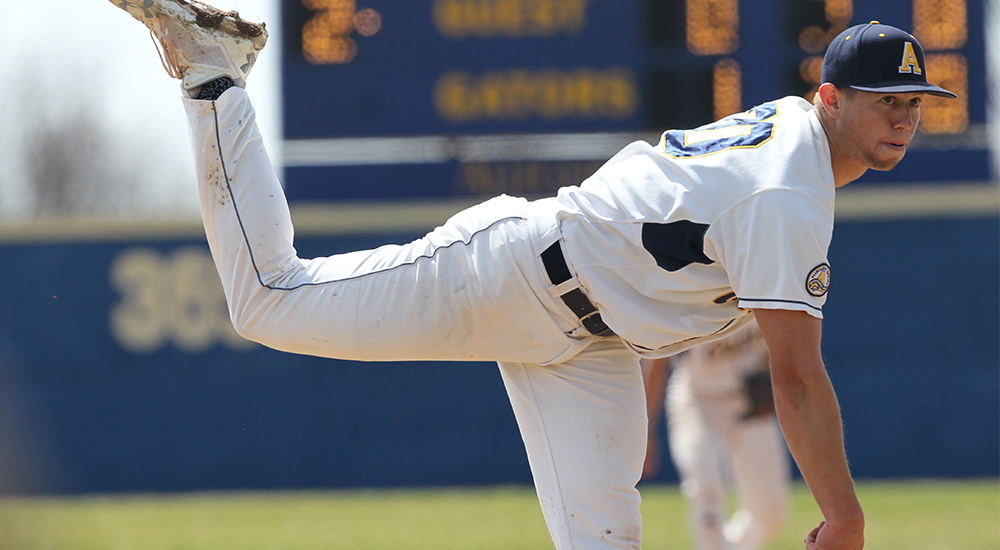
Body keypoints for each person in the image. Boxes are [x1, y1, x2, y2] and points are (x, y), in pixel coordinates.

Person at [107, 2, 956, 548]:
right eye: (888, 101)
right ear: (832, 99)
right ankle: (214, 72)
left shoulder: (790, 142)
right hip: (514, 271)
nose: (905, 119)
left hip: (592, 348)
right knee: (269, 303)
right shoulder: (787, 192)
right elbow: (798, 376)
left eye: (916, 104)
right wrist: (843, 515)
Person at [642, 320, 790, 550]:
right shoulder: (695, 294)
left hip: (750, 402)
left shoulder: (767, 292)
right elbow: (656, 359)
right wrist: (646, 430)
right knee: (706, 488)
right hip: (698, 402)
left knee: (770, 516)